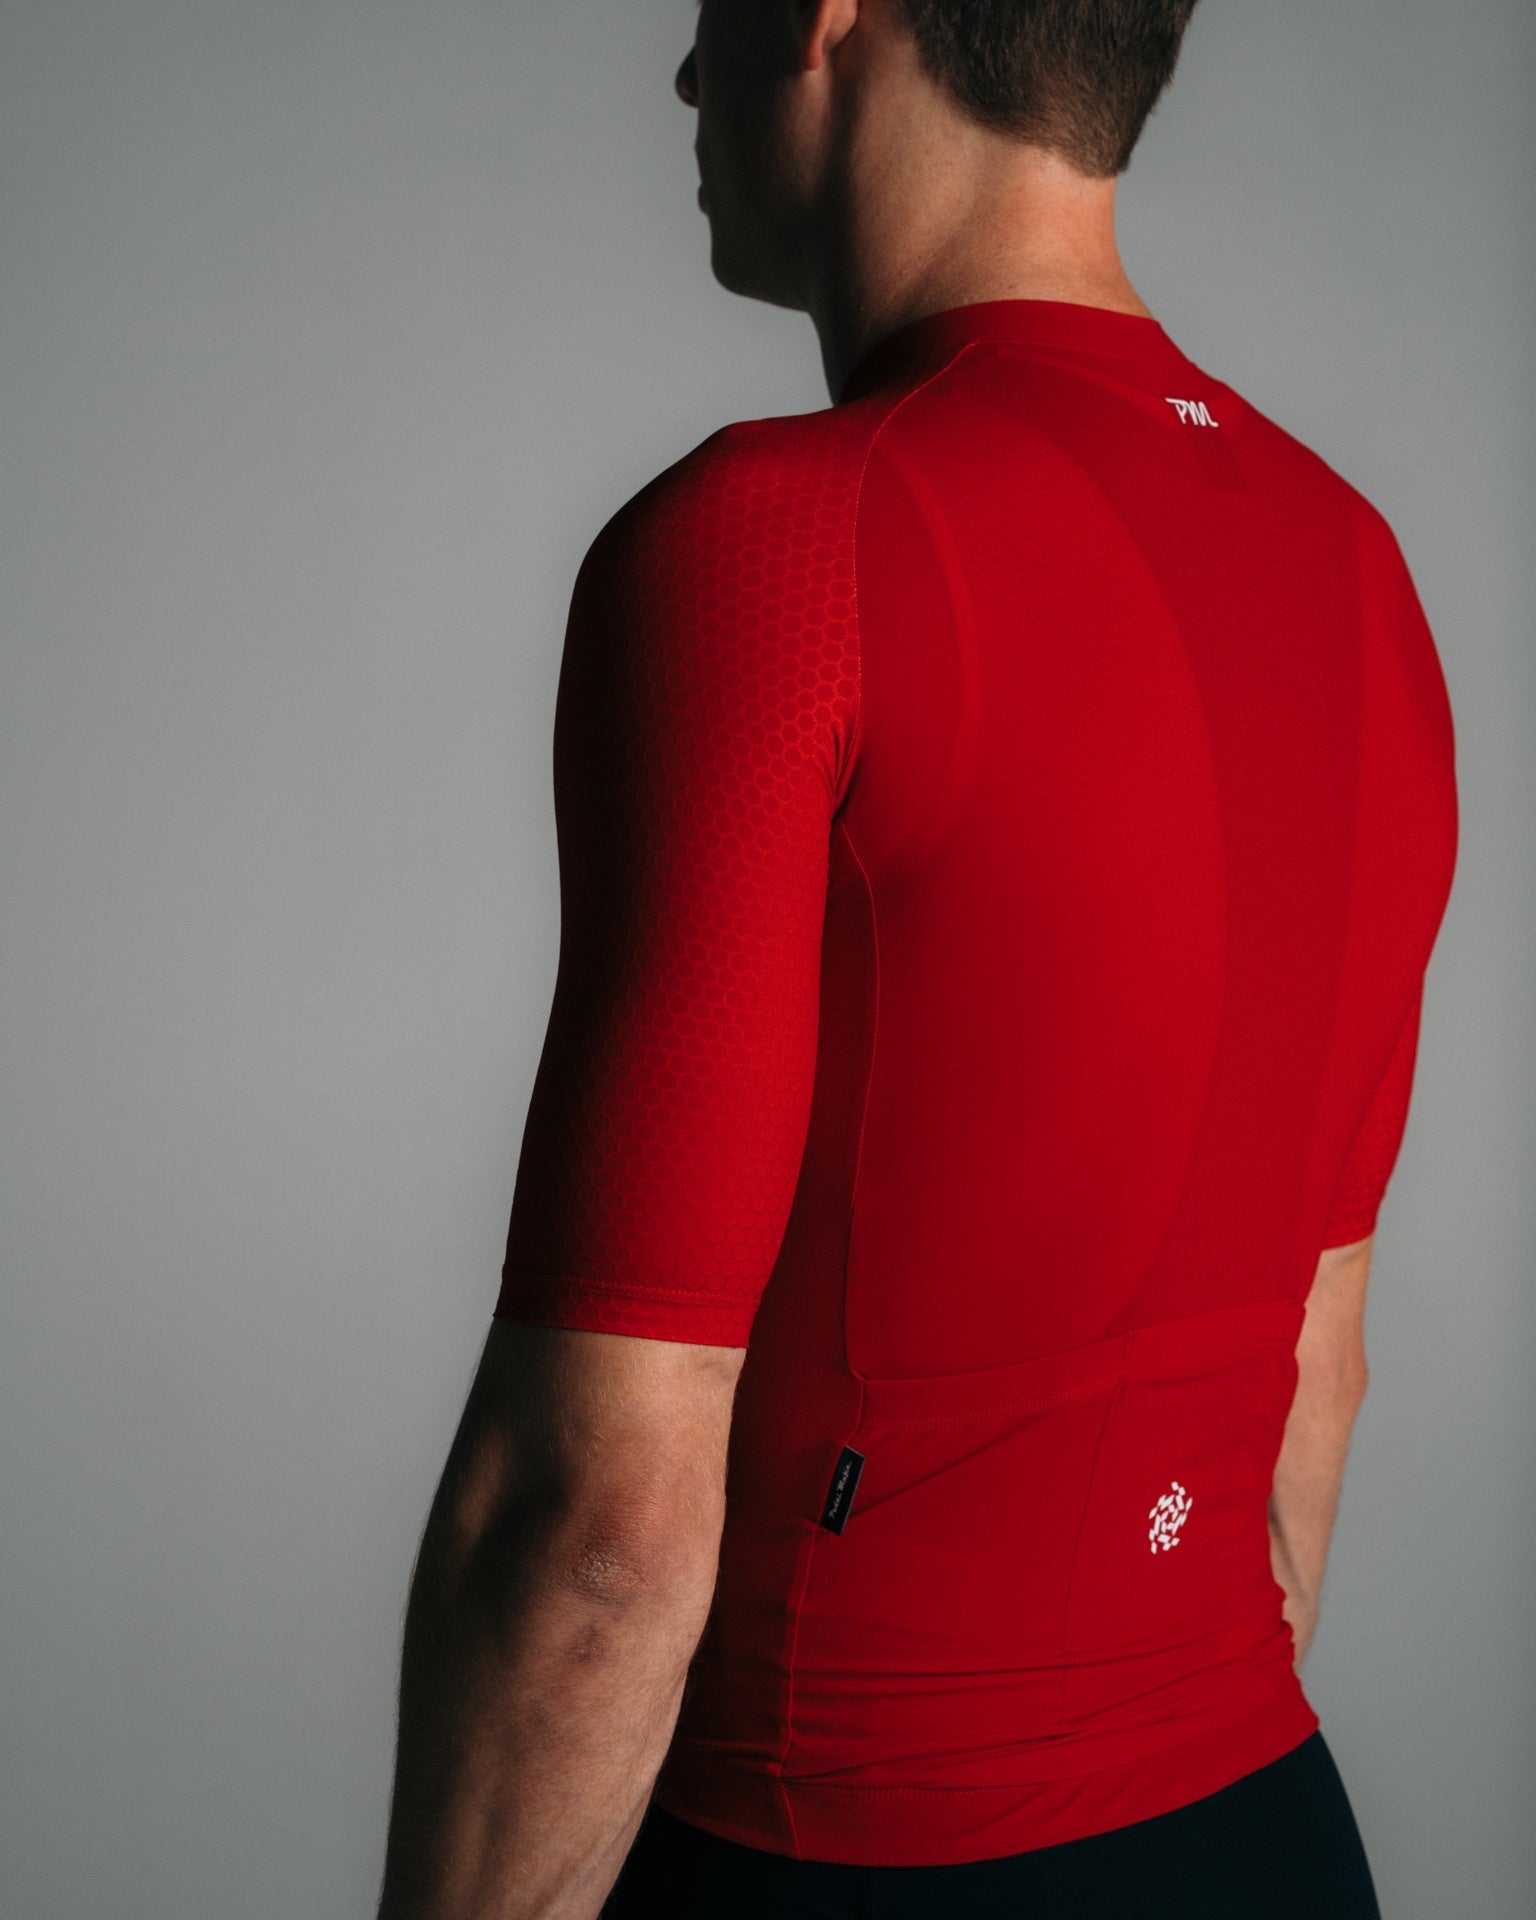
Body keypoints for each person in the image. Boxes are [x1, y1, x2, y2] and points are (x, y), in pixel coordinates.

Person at [374, 3, 1459, 1916]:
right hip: (1263, 1833)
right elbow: (1317, 1375)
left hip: (841, 1851)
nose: (687, 75)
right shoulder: (1359, 568)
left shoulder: (777, 548)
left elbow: (598, 1526)